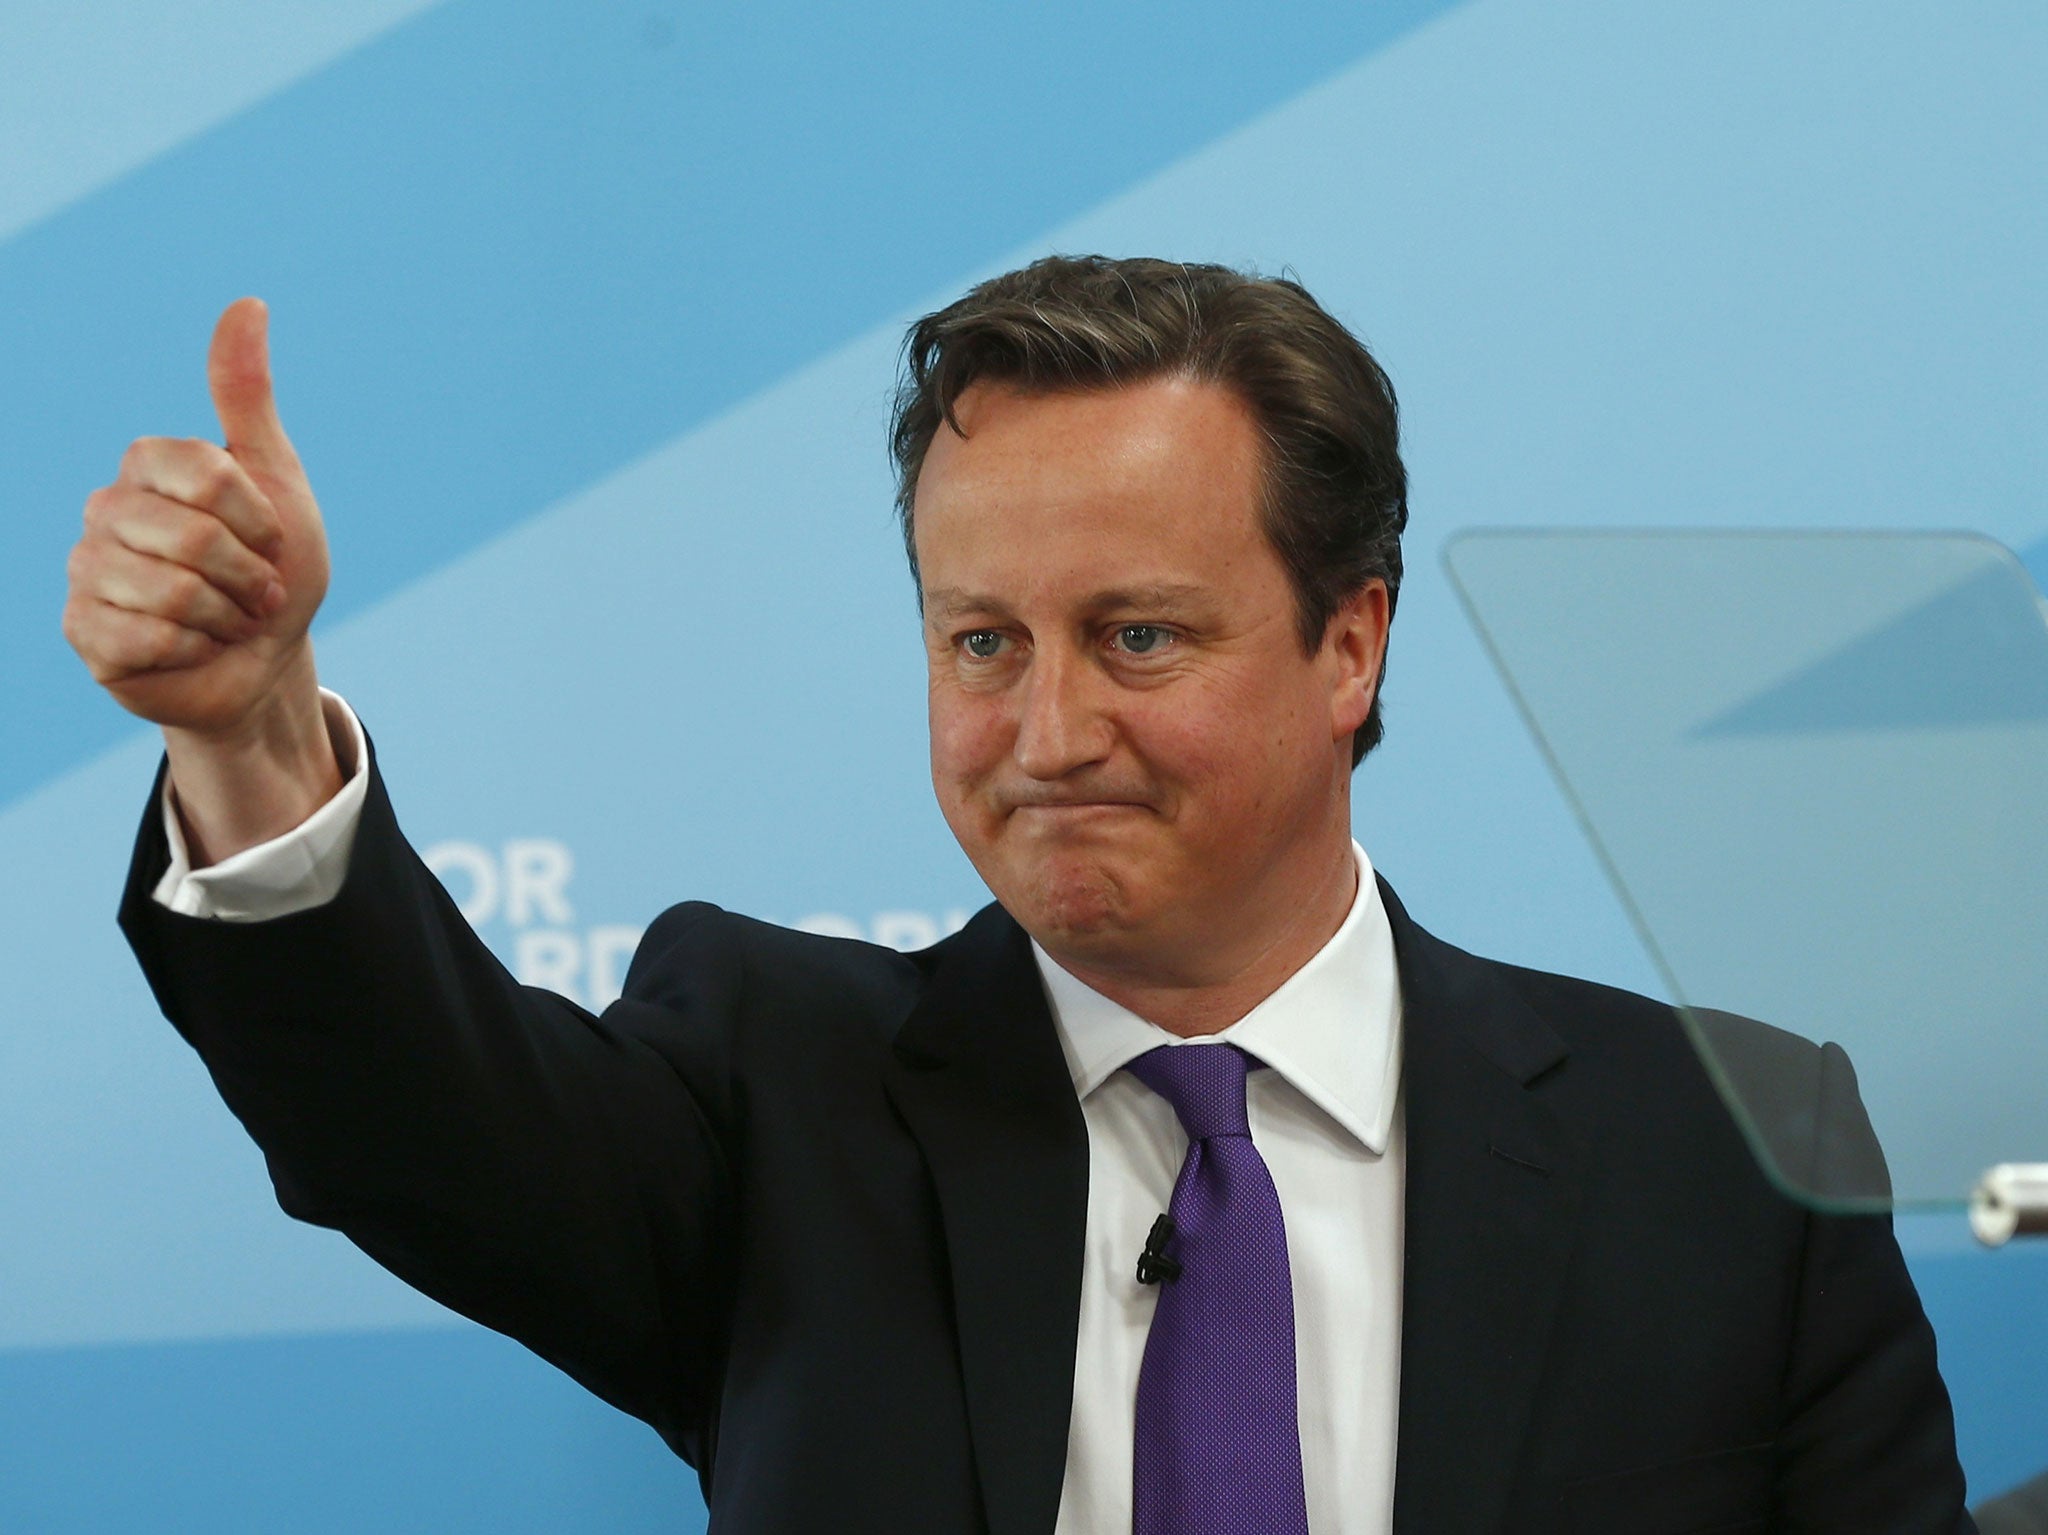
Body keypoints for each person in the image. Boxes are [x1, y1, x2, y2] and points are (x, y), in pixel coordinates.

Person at [65, 256, 1974, 1533]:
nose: (1045, 730)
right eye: (980, 642)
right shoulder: (774, 1090)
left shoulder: (1727, 1147)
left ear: (1350, 646)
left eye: (1136, 636)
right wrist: (248, 733)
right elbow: (410, 1110)